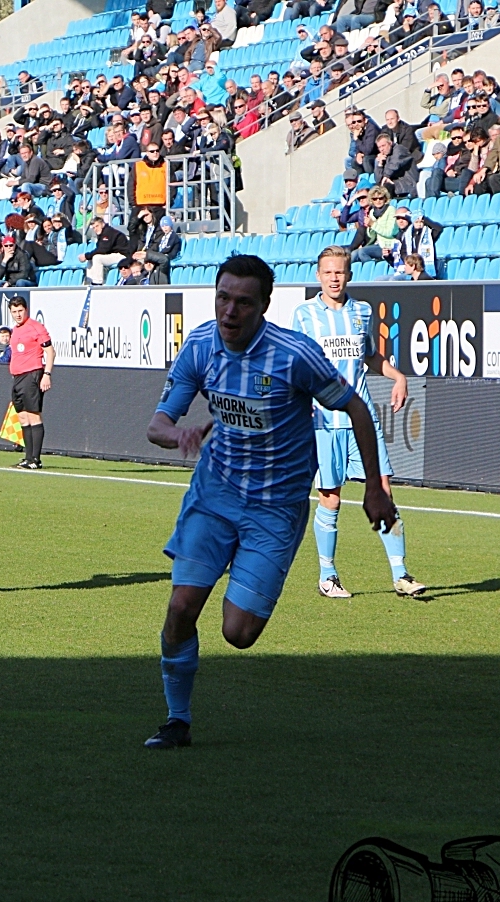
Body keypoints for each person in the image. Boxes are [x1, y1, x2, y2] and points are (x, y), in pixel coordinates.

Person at [143, 255, 395, 749]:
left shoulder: (293, 354)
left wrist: (373, 487)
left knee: (238, 633)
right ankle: (177, 721)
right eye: (223, 298)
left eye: (243, 302)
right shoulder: (198, 345)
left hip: (275, 510)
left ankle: (248, 586)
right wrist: (181, 435)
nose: (230, 311)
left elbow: (357, 407)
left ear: (264, 306)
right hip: (214, 496)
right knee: (181, 606)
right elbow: (157, 426)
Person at [294, 247, 425, 599]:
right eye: (328, 272)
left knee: (383, 491)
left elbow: (369, 355)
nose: (335, 278)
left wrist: (398, 376)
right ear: (319, 276)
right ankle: (328, 576)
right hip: (325, 420)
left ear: (348, 275)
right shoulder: (305, 315)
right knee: (330, 498)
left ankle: (401, 575)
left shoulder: (362, 312)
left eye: (340, 272)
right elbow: (296, 364)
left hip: (362, 418)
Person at [5, 296, 54, 470]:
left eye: (20, 311)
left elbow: (50, 351)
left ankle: (36, 459)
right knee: (23, 417)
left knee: (33, 416)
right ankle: (28, 457)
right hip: (18, 377)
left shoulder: (36, 327)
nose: (18, 315)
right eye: (14, 312)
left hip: (32, 375)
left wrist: (46, 374)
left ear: (26, 310)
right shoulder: (15, 330)